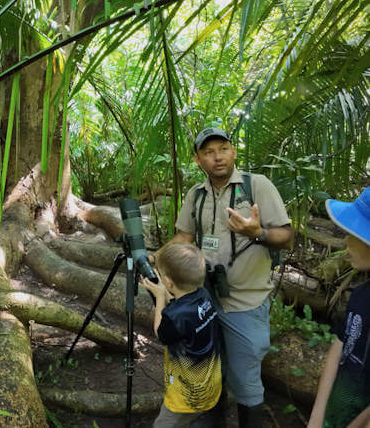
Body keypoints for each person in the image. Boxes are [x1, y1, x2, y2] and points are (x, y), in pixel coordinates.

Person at [150, 127, 293, 427]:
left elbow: (286, 236)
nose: (218, 157)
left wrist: (258, 233)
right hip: (205, 300)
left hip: (246, 303)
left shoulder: (258, 186)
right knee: (211, 373)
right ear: (198, 159)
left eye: (223, 149)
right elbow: (185, 236)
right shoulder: (196, 194)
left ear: (234, 151)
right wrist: (156, 259)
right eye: (209, 152)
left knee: (246, 382)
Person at [308, 186, 370, 428]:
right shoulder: (361, 294)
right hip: (335, 412)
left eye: (354, 233)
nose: (346, 239)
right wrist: (317, 415)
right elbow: (341, 344)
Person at [141, 242, 222, 428]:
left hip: (186, 398)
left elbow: (161, 333)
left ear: (169, 282)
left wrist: (160, 297)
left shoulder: (174, 316)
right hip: (210, 387)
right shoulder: (204, 295)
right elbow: (183, 304)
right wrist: (164, 291)